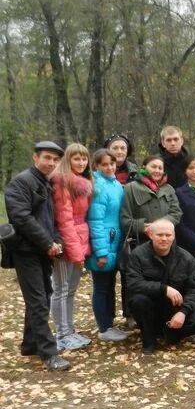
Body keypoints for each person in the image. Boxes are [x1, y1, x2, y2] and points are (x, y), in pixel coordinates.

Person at [4, 141, 71, 370]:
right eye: (47, 157)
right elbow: (21, 218)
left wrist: (57, 242)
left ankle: (30, 345)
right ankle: (49, 353)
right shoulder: (21, 182)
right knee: (38, 301)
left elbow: (50, 220)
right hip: (26, 251)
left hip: (42, 250)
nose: (51, 162)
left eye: (55, 159)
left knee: (43, 297)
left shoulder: (46, 183)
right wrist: (47, 243)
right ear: (35, 157)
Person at [126, 219, 195, 354]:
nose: (164, 239)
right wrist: (163, 288)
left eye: (168, 235)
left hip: (176, 305)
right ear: (150, 235)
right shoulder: (138, 254)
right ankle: (149, 340)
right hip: (150, 304)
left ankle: (170, 332)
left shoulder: (186, 257)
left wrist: (183, 312)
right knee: (138, 301)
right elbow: (133, 284)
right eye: (160, 235)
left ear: (174, 236)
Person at [50, 143, 93, 351]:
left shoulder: (80, 183)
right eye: (76, 159)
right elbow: (65, 220)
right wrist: (75, 251)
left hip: (79, 240)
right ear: (68, 160)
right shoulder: (62, 183)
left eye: (84, 159)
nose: (81, 162)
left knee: (71, 291)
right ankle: (61, 334)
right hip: (66, 244)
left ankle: (70, 330)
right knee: (61, 289)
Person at [86, 149, 128, 343]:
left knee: (110, 285)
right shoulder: (98, 187)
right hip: (104, 243)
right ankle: (104, 327)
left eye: (112, 163)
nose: (110, 167)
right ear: (96, 166)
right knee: (102, 287)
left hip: (115, 242)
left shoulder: (116, 184)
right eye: (104, 164)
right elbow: (95, 221)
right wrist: (101, 251)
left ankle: (109, 323)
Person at [121, 155, 183, 242]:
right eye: (153, 167)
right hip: (141, 243)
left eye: (160, 168)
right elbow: (125, 220)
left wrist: (159, 226)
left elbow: (176, 213)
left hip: (167, 242)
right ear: (144, 167)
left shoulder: (169, 189)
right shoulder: (130, 188)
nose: (157, 170)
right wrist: (144, 228)